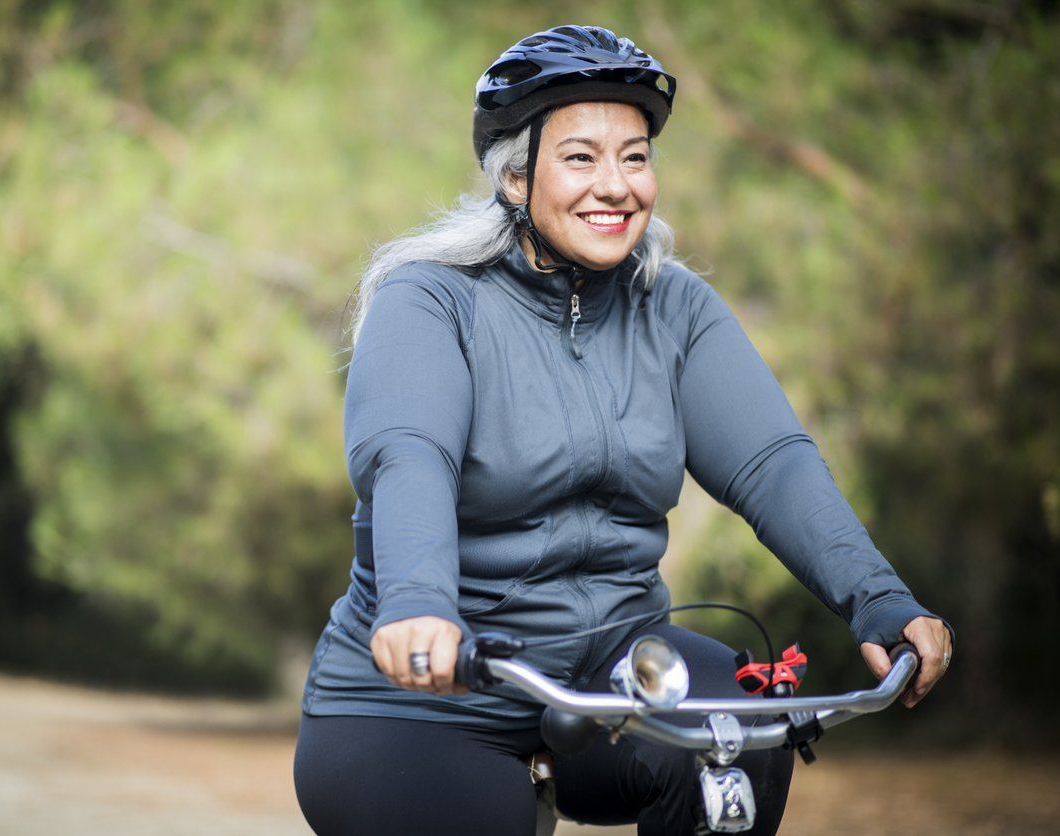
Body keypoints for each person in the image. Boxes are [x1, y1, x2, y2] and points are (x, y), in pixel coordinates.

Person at [293, 25, 952, 836]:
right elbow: (410, 459)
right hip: (428, 694)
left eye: (635, 157)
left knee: (738, 736)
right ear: (513, 177)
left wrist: (878, 599)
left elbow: (773, 467)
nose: (616, 186)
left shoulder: (673, 307)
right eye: (581, 158)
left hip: (617, 675)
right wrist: (420, 607)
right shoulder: (431, 302)